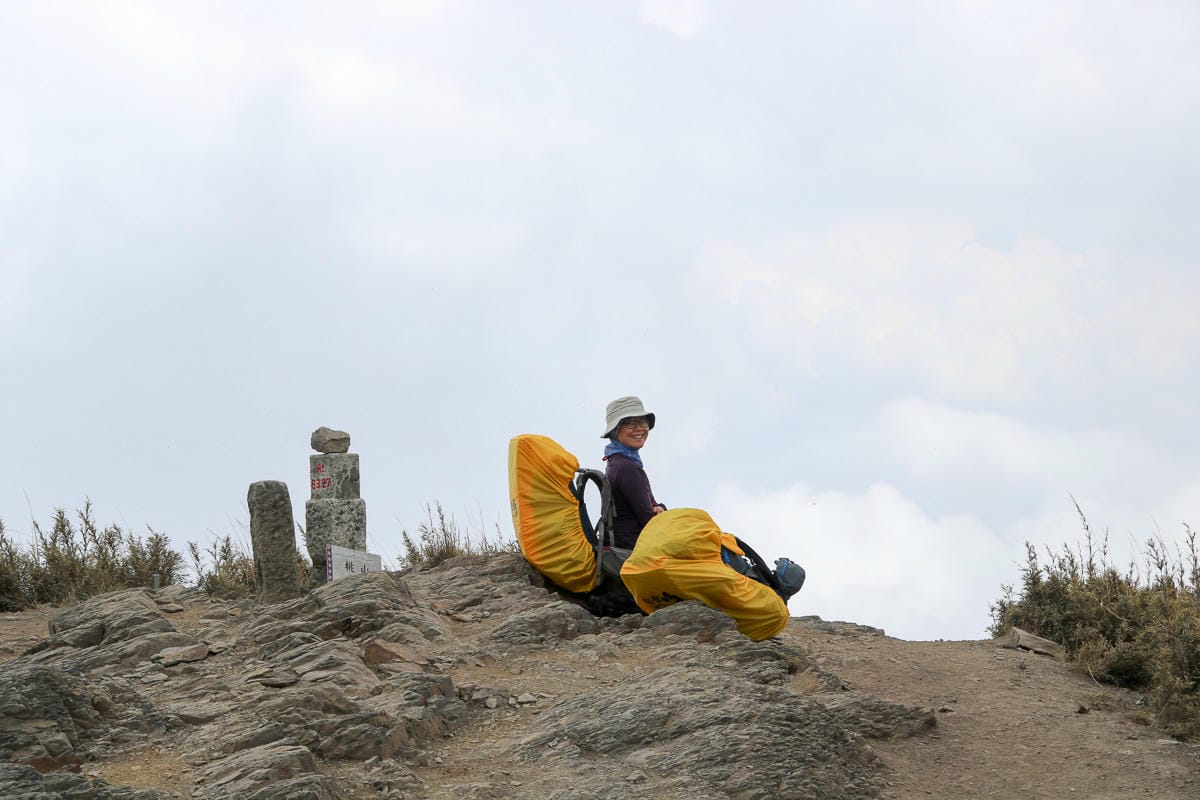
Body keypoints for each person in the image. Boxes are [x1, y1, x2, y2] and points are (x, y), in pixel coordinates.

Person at [601, 396, 666, 550]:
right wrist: (662, 509)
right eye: (630, 423)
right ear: (616, 431)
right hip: (634, 546)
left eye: (643, 422)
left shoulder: (615, 461)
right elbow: (649, 521)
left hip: (624, 541)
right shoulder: (628, 468)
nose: (639, 428)